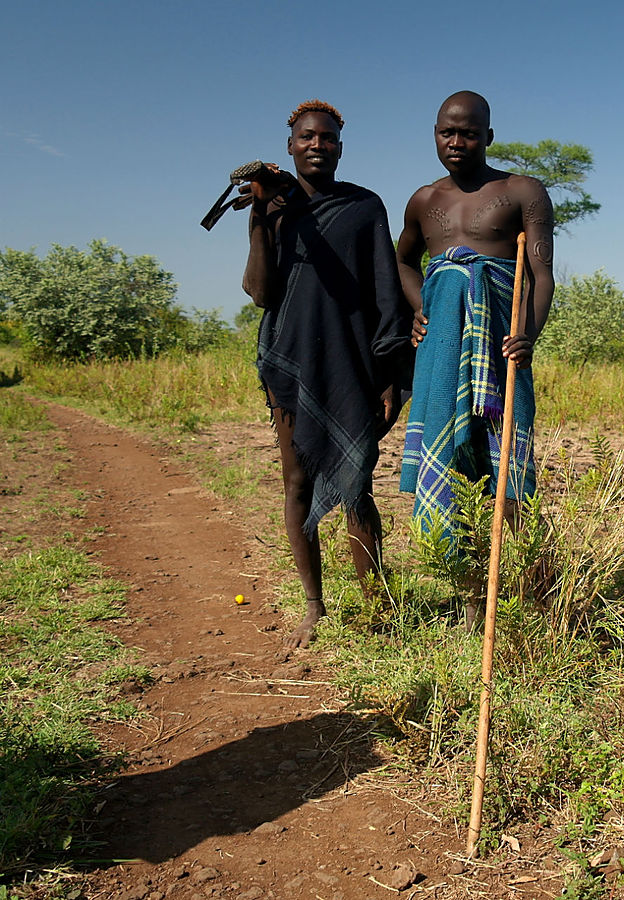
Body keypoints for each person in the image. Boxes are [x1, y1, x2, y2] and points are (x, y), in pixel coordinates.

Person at [242, 99, 411, 650]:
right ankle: (314, 606)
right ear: (290, 145)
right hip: (291, 364)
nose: (318, 145)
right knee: (297, 481)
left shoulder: (364, 207)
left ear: (341, 145)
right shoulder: (274, 207)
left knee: (356, 480)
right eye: (308, 137)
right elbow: (261, 293)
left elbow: (386, 290)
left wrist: (390, 373)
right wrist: (260, 219)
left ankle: (377, 607)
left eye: (329, 138)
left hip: (352, 362)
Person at [397, 90, 555, 627]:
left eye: (468, 133)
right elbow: (404, 263)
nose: (456, 142)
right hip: (441, 351)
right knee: (454, 462)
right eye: (447, 132)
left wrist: (527, 335)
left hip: (501, 350)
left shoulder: (521, 192)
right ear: (435, 134)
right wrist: (422, 311)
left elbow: (541, 275)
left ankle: (514, 587)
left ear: (489, 136)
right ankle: (467, 598)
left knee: (505, 461)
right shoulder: (423, 201)